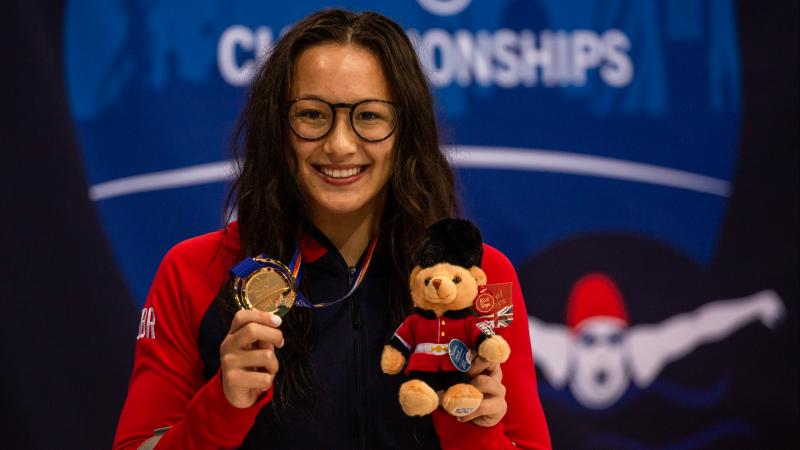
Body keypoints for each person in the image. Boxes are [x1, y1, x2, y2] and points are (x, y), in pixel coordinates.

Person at [113, 9, 551, 450]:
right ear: (277, 130)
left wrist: (472, 428)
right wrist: (223, 406)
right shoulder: (194, 271)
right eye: (312, 114)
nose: (340, 145)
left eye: (369, 117)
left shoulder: (478, 276)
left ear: (407, 132)